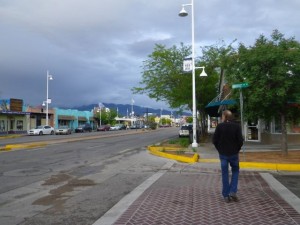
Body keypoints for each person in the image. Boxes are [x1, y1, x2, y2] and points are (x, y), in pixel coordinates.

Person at [212, 110, 244, 203]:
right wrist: (236, 150)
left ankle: (226, 195)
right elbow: (240, 141)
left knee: (225, 174)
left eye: (222, 116)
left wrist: (220, 150)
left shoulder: (220, 126)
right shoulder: (237, 126)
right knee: (235, 171)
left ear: (224, 117)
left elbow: (214, 140)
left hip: (223, 154)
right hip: (234, 154)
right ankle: (233, 191)